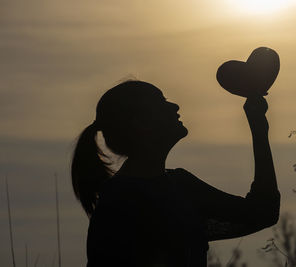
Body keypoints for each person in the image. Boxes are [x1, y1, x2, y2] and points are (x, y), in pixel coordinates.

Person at [71, 80, 280, 267]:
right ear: (140, 123)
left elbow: (262, 212)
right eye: (160, 101)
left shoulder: (182, 186)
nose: (175, 106)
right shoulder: (120, 201)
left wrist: (259, 126)